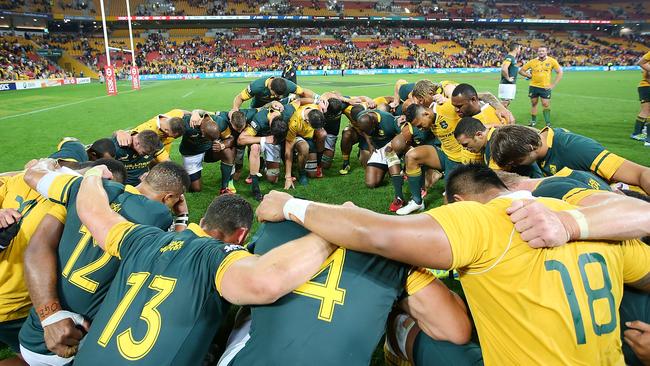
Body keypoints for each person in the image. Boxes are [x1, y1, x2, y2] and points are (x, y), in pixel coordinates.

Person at [255, 163, 650, 365]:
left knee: (428, 328)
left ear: (457, 204)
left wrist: (291, 205)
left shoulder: (479, 220)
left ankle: (399, 338)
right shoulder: (588, 222)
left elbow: (378, 234)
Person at [69, 175, 336, 365]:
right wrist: (331, 234)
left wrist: (92, 175)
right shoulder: (215, 258)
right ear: (241, 235)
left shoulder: (144, 238)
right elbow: (264, 282)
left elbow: (92, 211)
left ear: (204, 220)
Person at [219, 220, 472, 366]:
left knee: (249, 309)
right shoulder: (395, 253)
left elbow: (246, 284)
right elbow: (456, 329)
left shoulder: (275, 227)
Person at [18, 160, 187, 366]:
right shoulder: (159, 217)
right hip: (80, 334)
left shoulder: (83, 186)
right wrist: (181, 218)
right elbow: (177, 259)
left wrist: (54, 164)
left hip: (36, 326)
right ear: (168, 197)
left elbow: (31, 174)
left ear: (145, 177)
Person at [397, 84, 505, 215]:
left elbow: (476, 96)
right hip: (446, 155)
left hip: (461, 160)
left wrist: (501, 107)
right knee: (412, 156)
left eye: (420, 125)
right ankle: (417, 202)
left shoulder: (448, 107)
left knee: (449, 203)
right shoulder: (428, 112)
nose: (420, 129)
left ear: (426, 114)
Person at [0, 168, 68, 365]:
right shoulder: (67, 199)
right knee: (36, 359)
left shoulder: (18, 180)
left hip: (13, 304)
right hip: (14, 309)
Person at [489, 124, 650, 194]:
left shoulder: (577, 149)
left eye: (515, 162)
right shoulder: (536, 142)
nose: (514, 166)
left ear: (530, 148)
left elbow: (642, 173)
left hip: (625, 200)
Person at [180, 111, 246, 194]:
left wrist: (222, 145)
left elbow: (230, 139)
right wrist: (194, 112)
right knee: (196, 188)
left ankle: (224, 187)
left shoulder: (220, 122)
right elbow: (178, 115)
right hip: (191, 154)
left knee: (228, 151)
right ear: (202, 133)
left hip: (209, 150)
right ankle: (185, 174)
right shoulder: (188, 123)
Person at [453, 116, 544, 177]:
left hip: (531, 186)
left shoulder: (495, 146)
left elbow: (498, 179)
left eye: (466, 144)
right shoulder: (495, 134)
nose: (465, 148)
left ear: (479, 135)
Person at [237, 105, 289, 201]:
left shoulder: (287, 113)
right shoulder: (260, 118)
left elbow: (297, 100)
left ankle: (263, 165)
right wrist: (264, 139)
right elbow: (241, 139)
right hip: (261, 140)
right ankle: (255, 188)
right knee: (254, 147)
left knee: (272, 179)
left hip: (275, 142)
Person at [282, 101, 326, 189]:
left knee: (322, 133)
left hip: (309, 138)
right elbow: (288, 149)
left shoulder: (317, 109)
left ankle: (318, 164)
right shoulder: (294, 122)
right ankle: (302, 173)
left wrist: (320, 100)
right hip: (297, 137)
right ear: (307, 121)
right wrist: (288, 176)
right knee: (304, 147)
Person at [114, 110, 187, 162]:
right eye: (169, 135)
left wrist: (195, 113)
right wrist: (119, 132)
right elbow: (130, 136)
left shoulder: (174, 117)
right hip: (150, 152)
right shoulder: (148, 129)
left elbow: (183, 112)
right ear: (166, 130)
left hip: (161, 152)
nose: (169, 138)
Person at [519, 46, 563, 127]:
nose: (541, 52)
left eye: (543, 51)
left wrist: (553, 85)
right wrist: (529, 76)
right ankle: (533, 121)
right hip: (533, 86)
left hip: (545, 87)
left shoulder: (552, 61)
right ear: (537, 52)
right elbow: (521, 71)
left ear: (546, 52)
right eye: (539, 51)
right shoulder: (532, 61)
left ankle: (548, 122)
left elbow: (560, 72)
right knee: (534, 103)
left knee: (545, 104)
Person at [232, 76, 314, 110]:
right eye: (275, 94)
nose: (276, 96)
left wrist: (318, 98)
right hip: (257, 108)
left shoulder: (288, 85)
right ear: (270, 87)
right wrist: (235, 109)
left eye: (279, 95)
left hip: (277, 108)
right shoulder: (256, 86)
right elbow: (240, 98)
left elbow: (303, 92)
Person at [48, 137, 116, 167]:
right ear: (93, 154)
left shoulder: (77, 146)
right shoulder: (79, 154)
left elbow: (66, 139)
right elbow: (52, 163)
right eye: (103, 161)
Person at [631, 50, 650, 146]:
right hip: (646, 86)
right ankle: (646, 137)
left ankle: (637, 133)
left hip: (644, 87)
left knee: (646, 111)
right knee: (646, 111)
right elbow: (643, 67)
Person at [498, 43, 522, 108]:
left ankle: (504, 117)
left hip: (509, 84)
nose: (520, 50)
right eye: (519, 48)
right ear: (516, 49)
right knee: (504, 103)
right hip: (507, 84)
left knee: (506, 103)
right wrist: (508, 78)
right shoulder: (509, 58)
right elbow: (504, 68)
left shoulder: (512, 58)